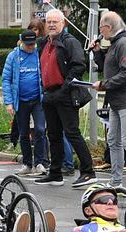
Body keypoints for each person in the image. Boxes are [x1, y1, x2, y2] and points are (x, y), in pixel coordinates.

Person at [36, 9, 97, 188]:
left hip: (65, 93)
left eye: (55, 22)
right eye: (49, 22)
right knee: (53, 135)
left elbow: (79, 65)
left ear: (63, 24)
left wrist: (65, 87)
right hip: (49, 93)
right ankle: (55, 173)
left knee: (72, 133)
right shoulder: (44, 43)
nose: (52, 24)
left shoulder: (70, 42)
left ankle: (88, 172)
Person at [91, 11, 126, 197]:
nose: (100, 32)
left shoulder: (123, 43)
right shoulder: (116, 44)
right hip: (117, 100)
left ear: (108, 27)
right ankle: (116, 180)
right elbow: (109, 68)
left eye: (101, 28)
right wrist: (98, 52)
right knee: (114, 139)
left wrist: (104, 85)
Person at [2, 29, 47, 177]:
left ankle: (40, 162)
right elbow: (6, 80)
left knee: (40, 130)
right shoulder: (13, 56)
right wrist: (8, 102)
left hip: (37, 100)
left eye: (33, 44)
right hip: (20, 101)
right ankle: (27, 163)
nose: (30, 47)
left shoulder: (39, 53)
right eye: (28, 44)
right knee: (23, 133)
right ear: (21, 41)